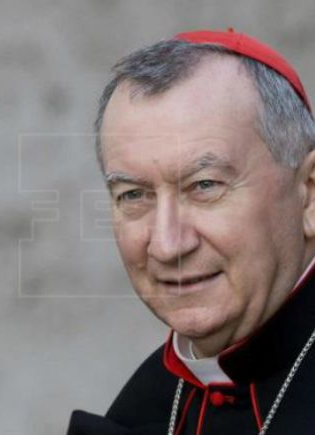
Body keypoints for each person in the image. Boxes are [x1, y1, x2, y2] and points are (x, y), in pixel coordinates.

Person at [67, 29, 315, 435]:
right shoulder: (138, 409)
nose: (168, 245)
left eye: (204, 186)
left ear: (308, 193)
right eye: (134, 195)